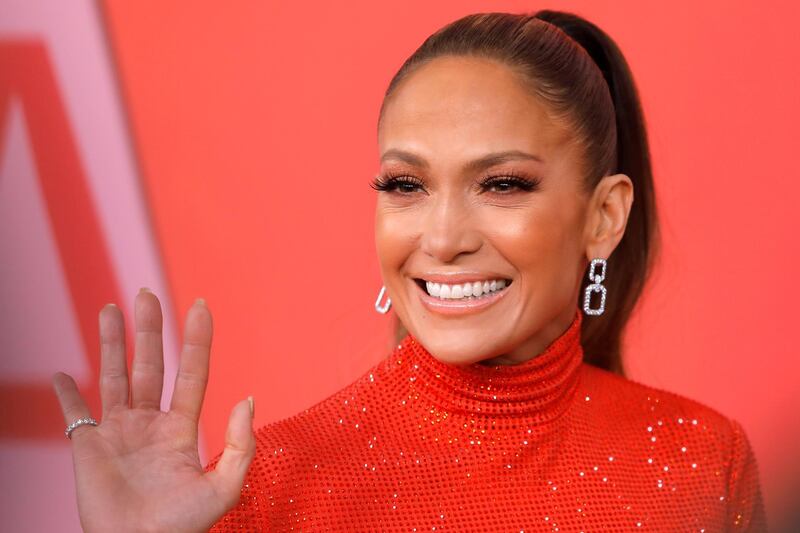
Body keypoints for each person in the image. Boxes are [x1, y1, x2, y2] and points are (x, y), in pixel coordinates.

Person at [52, 9, 767, 532]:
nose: (444, 237)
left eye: (503, 184)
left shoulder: (703, 457)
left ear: (604, 216)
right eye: (406, 185)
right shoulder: (273, 480)